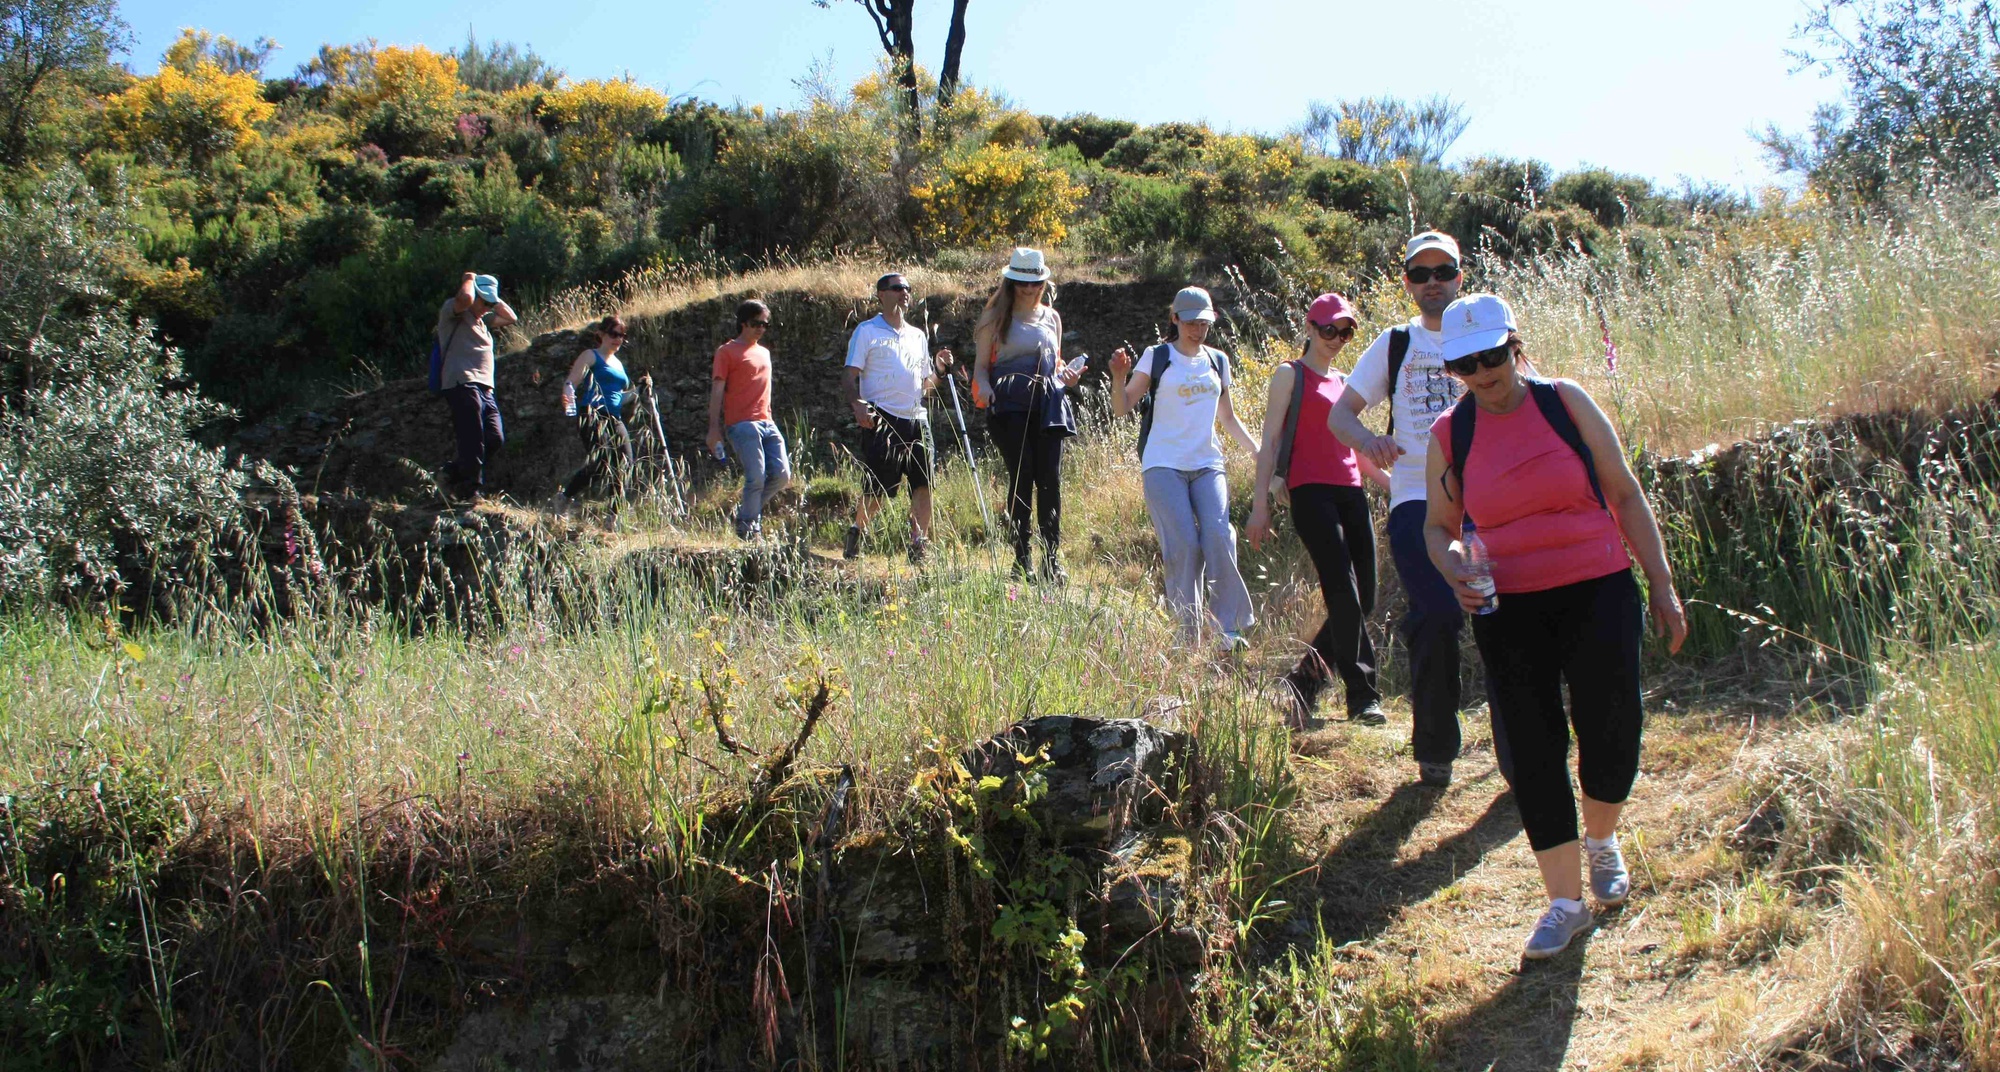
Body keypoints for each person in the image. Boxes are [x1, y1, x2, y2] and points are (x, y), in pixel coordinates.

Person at [1421, 292, 1687, 960]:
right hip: (1508, 609)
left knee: (1612, 727)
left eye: (1494, 356)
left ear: (1516, 345)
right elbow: (1437, 525)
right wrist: (1454, 564)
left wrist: (1661, 583)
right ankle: (1564, 904)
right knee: (1535, 754)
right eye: (1466, 364)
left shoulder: (1565, 403)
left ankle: (1602, 840)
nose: (1484, 373)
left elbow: (1624, 492)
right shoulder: (1451, 434)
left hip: (1598, 588)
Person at [1326, 230, 1498, 788]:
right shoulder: (1394, 343)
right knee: (1440, 614)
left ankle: (1524, 748)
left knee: (1508, 621)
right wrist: (1370, 439)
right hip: (1417, 502)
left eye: (1442, 271)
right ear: (1407, 282)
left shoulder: (1486, 335)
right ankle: (1436, 749)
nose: (1432, 283)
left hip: (1493, 501)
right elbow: (1341, 416)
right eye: (1420, 274)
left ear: (1460, 275)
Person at [1248, 292, 1391, 729]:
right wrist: (1259, 507)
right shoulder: (1289, 375)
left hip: (1350, 491)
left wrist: (1397, 489)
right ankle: (1363, 697)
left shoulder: (1345, 382)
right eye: (1329, 329)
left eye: (1345, 331)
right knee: (1343, 590)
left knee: (1363, 595)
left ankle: (1302, 683)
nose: (1337, 338)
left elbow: (1359, 452)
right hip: (1310, 492)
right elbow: (1270, 442)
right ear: (1310, 328)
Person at [1109, 286, 1260, 650]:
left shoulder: (1217, 361)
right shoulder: (1156, 356)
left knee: (1219, 537)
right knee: (1184, 546)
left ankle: (1229, 631)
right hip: (1163, 464)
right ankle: (1186, 635)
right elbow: (1122, 406)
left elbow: (1228, 417)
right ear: (1175, 318)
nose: (1197, 329)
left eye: (1204, 323)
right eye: (1190, 322)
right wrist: (1117, 376)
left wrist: (1259, 452)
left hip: (1207, 463)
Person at [972, 248, 1081, 582]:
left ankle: (1052, 560)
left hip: (1048, 406)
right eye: (1021, 282)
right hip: (1007, 407)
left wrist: (1068, 375)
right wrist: (986, 388)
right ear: (1010, 282)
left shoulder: (1053, 318)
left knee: (1050, 480)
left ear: (1043, 283)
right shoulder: (993, 318)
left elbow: (1056, 363)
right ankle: (1021, 561)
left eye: (1035, 283)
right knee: (1022, 478)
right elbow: (979, 369)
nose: (1029, 289)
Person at [843, 272, 954, 564]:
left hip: (917, 418)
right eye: (897, 288)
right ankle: (857, 530)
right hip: (882, 417)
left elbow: (925, 387)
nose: (904, 293)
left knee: (923, 482)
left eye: (907, 288)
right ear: (881, 294)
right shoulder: (866, 331)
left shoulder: (918, 336)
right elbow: (849, 374)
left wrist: (940, 370)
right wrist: (857, 406)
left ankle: (920, 544)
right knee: (879, 486)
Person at [707, 299, 791, 540]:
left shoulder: (764, 352)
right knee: (756, 476)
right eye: (756, 323)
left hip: (767, 422)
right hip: (742, 424)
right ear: (743, 323)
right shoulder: (726, 352)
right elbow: (717, 391)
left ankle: (745, 514)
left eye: (765, 324)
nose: (761, 329)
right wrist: (714, 429)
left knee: (782, 474)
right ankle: (748, 530)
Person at [437, 272, 518, 502]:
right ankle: (471, 491)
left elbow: (511, 317)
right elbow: (464, 299)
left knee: (494, 438)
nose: (487, 307)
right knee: (472, 435)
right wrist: (470, 279)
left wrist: (492, 298)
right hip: (461, 381)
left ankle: (449, 474)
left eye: (490, 303)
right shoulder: (453, 312)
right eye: (484, 301)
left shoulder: (484, 321)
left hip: (485, 387)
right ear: (474, 295)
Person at [554, 314, 634, 517]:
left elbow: (619, 398)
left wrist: (640, 390)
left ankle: (613, 517)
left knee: (625, 462)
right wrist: (568, 397)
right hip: (591, 414)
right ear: (601, 334)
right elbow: (572, 381)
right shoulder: (590, 355)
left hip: (614, 417)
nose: (618, 339)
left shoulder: (618, 364)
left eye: (622, 335)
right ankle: (564, 497)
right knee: (602, 461)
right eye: (613, 334)